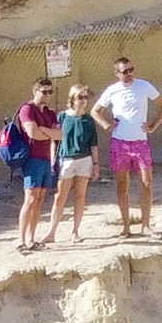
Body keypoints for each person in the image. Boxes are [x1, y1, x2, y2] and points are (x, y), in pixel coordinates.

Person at [92, 56, 162, 235]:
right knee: (122, 183)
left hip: (140, 142)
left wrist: (153, 126)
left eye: (131, 70)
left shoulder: (144, 86)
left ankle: (146, 225)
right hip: (120, 142)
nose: (129, 74)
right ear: (117, 73)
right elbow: (95, 111)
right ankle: (126, 227)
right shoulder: (113, 90)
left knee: (147, 183)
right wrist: (107, 125)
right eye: (125, 71)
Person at [6, 79, 60, 250]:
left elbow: (60, 135)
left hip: (46, 158)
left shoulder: (51, 113)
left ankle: (31, 238)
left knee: (40, 198)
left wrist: (43, 130)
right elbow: (32, 133)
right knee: (30, 199)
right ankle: (21, 240)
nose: (48, 95)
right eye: (44, 92)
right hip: (32, 158)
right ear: (35, 91)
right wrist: (48, 132)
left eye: (50, 92)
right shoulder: (27, 109)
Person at [51, 83, 101, 246]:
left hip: (84, 160)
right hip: (66, 159)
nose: (83, 100)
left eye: (85, 97)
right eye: (80, 97)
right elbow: (54, 140)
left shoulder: (88, 120)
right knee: (60, 197)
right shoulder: (62, 117)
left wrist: (96, 164)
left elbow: (94, 145)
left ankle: (76, 231)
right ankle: (52, 232)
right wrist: (52, 160)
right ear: (72, 99)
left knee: (80, 196)